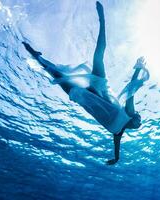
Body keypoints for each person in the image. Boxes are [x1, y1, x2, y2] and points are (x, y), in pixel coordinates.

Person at [22, 1, 149, 165]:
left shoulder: (118, 132)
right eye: (139, 121)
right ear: (135, 117)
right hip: (100, 90)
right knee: (98, 57)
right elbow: (131, 89)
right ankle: (102, 19)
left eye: (139, 124)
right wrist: (138, 68)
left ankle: (37, 56)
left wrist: (116, 158)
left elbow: (117, 147)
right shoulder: (129, 114)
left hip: (86, 99)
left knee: (58, 77)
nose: (139, 123)